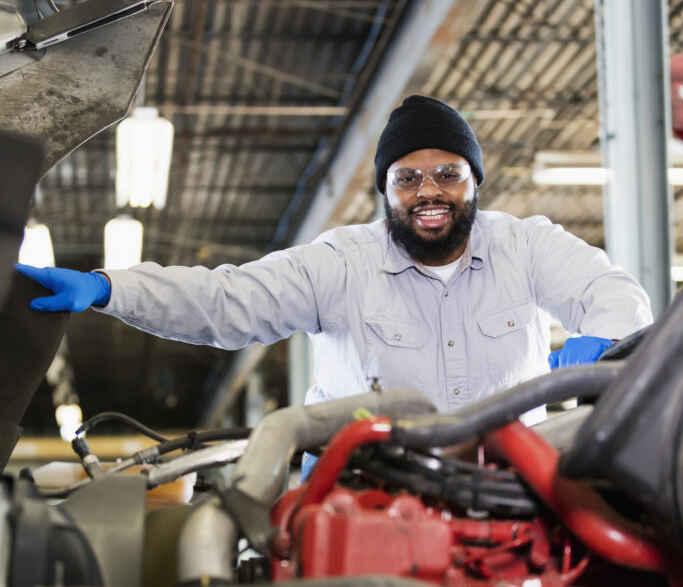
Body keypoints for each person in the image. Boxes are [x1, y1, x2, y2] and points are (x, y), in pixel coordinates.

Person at [16, 96, 653, 426]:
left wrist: (608, 337)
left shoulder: (526, 245)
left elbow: (611, 289)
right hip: (367, 492)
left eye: (447, 174)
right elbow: (227, 301)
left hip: (511, 497)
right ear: (385, 190)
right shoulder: (341, 263)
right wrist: (107, 287)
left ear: (473, 182)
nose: (428, 191)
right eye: (408, 178)